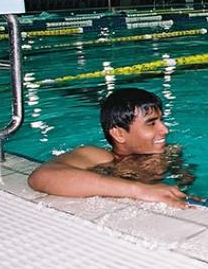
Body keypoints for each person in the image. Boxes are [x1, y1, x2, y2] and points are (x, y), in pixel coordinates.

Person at [27, 88, 193, 208]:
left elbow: (185, 182)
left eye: (161, 121)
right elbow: (40, 177)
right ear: (119, 134)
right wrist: (141, 190)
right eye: (151, 123)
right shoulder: (99, 156)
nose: (165, 130)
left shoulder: (170, 152)